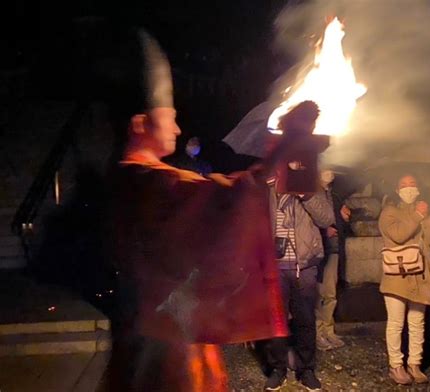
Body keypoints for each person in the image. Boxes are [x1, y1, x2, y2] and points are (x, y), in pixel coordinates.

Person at [105, 30, 316, 392]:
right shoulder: (142, 178)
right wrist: (282, 150)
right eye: (168, 117)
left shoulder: (137, 176)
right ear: (139, 124)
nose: (177, 126)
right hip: (162, 342)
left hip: (156, 328)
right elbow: (221, 200)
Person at [258, 104, 335, 392]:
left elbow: (327, 217)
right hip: (276, 263)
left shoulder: (310, 176)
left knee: (305, 321)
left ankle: (306, 369)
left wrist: (305, 192)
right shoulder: (267, 179)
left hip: (305, 264)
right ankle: (277, 368)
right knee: (276, 323)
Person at [378, 174, 430, 385]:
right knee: (396, 323)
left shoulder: (424, 211)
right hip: (397, 277)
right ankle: (396, 366)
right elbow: (398, 235)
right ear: (397, 190)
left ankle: (414, 363)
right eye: (404, 185)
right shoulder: (389, 212)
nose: (409, 189)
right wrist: (416, 215)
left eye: (413, 184)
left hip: (421, 277)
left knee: (417, 322)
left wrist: (429, 218)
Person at [315, 169, 351, 351]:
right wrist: (324, 230)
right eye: (325, 169)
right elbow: (312, 220)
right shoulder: (312, 192)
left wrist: (344, 218)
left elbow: (339, 223)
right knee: (320, 294)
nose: (329, 173)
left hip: (335, 249)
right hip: (321, 251)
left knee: (330, 294)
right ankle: (318, 332)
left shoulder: (334, 195)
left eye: (331, 170)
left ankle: (328, 330)